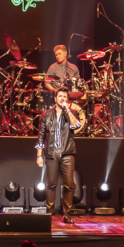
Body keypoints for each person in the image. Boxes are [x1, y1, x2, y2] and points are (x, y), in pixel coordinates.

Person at [36, 88, 84, 223]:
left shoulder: (72, 113)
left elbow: (77, 125)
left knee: (69, 185)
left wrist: (67, 110)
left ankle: (67, 214)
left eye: (64, 96)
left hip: (67, 154)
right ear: (55, 98)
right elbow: (40, 136)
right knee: (51, 184)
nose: (62, 98)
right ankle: (49, 213)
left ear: (67, 99)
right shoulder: (46, 115)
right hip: (51, 153)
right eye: (60, 96)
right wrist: (39, 155)